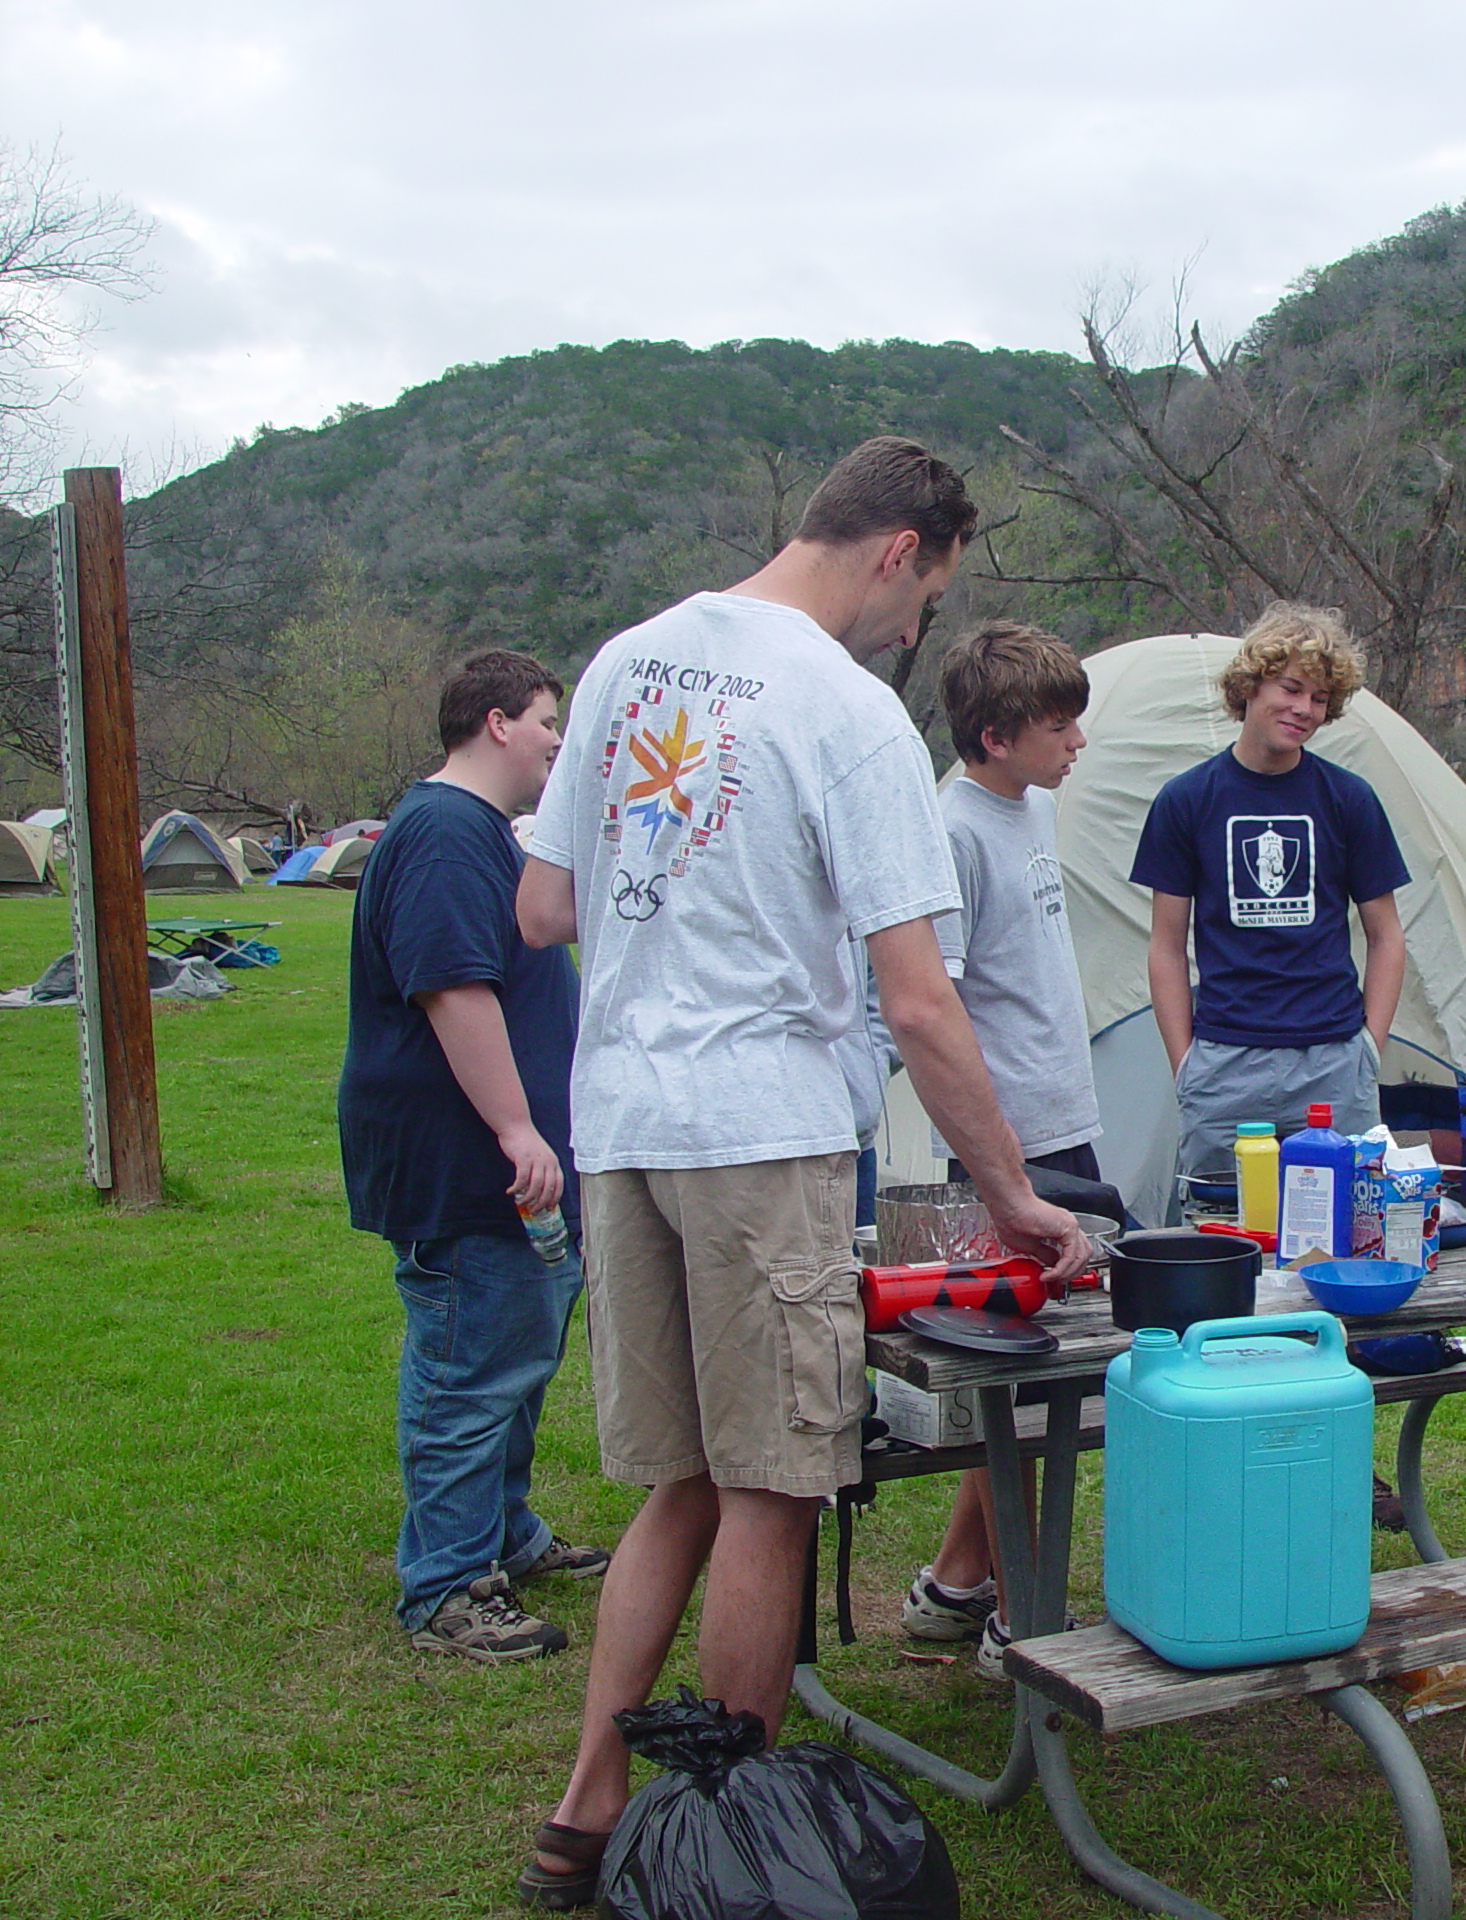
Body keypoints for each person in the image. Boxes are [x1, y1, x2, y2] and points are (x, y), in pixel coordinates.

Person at [512, 436, 1087, 1910]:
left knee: (681, 1484)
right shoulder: (844, 708)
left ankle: (585, 1812)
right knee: (773, 1488)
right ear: (901, 550)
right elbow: (917, 997)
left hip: (623, 1125)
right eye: (927, 601)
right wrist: (1012, 1191)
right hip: (760, 1130)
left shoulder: (627, 660)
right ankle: (741, 1854)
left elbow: (544, 905)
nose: (917, 635)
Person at [339, 648, 610, 1663]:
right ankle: (448, 1584)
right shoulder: (449, 832)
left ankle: (504, 1533)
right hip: (469, 1163)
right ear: (496, 722)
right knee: (468, 1367)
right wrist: (515, 1127)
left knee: (515, 1353)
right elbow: (453, 988)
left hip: (514, 1164)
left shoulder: (479, 833)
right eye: (547, 719)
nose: (556, 739)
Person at [896, 620, 1101, 1680]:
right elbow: (944, 1005)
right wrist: (997, 1165)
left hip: (1069, 1123)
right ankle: (1018, 1624)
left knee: (1043, 1384)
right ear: (990, 735)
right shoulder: (952, 829)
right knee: (1019, 1386)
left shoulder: (1032, 805)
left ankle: (957, 1589)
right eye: (1057, 726)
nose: (1077, 743)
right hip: (1006, 1153)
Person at [1131, 603, 1410, 1213]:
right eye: (1290, 688)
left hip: (1333, 1063)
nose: (1303, 709)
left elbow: (1387, 936)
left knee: (1348, 1231)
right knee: (1223, 1242)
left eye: (1319, 697)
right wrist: (1186, 1065)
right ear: (1250, 685)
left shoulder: (1348, 799)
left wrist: (1368, 1050)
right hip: (1225, 1063)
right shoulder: (1186, 801)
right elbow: (1165, 945)